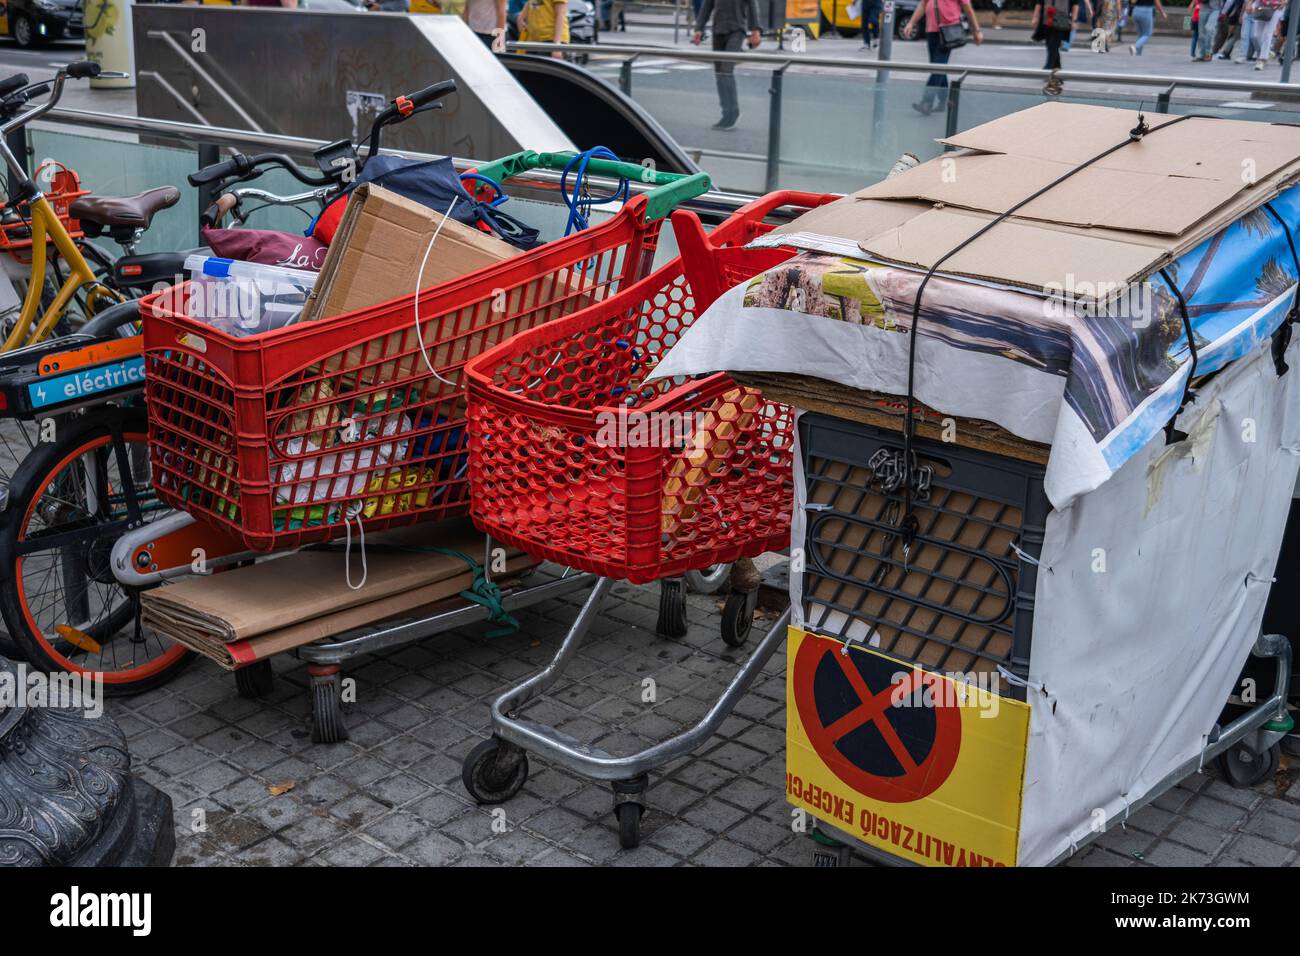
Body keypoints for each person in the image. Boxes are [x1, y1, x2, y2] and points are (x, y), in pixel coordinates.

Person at [903, 0, 984, 117]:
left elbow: (967, 7)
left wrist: (976, 30)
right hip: (931, 31)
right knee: (938, 68)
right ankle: (943, 100)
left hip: (948, 31)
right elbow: (922, 5)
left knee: (937, 69)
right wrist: (911, 23)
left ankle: (927, 102)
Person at [691, 0, 762, 131]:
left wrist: (755, 30)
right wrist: (698, 29)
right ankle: (726, 113)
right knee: (719, 74)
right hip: (718, 31)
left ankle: (733, 112)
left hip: (737, 30)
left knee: (726, 70)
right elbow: (706, 7)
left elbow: (753, 4)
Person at [1032, 0, 1077, 83]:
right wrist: (1035, 17)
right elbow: (1039, 3)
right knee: (1050, 45)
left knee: (1054, 44)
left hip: (1061, 20)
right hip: (1046, 21)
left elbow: (1075, 5)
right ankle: (1057, 71)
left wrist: (1074, 20)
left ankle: (1048, 68)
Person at [1243, 0, 1286, 68]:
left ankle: (1262, 59)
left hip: (1276, 6)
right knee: (1256, 35)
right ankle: (1267, 51)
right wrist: (1249, 3)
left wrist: (1285, 1)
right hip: (1260, 5)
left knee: (1267, 33)